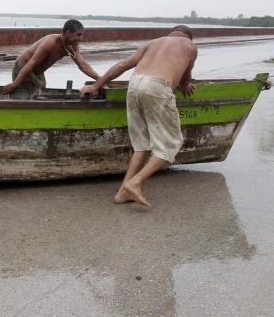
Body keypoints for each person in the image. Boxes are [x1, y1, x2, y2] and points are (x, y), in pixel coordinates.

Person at [80, 26, 197, 207]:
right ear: (188, 38)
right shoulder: (189, 46)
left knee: (142, 145)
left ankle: (122, 193)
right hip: (157, 86)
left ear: (170, 34)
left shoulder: (153, 43)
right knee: (170, 144)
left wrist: (95, 86)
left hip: (134, 84)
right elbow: (185, 76)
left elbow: (122, 65)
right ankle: (135, 182)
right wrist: (186, 84)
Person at [2, 19, 100, 94]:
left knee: (40, 94)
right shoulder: (50, 43)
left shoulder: (72, 46)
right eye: (78, 35)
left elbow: (83, 65)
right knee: (24, 95)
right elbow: (31, 63)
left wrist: (100, 79)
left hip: (38, 72)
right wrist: (15, 84)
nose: (80, 38)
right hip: (23, 66)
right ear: (68, 33)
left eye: (81, 35)